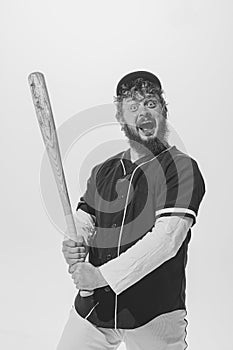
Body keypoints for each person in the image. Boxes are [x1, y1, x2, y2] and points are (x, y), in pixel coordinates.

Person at [57, 71, 206, 349]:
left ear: (163, 110)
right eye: (133, 107)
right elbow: (84, 219)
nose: (143, 113)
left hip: (154, 314)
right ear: (120, 117)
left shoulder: (182, 168)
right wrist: (74, 240)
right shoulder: (104, 170)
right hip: (94, 309)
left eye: (150, 103)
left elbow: (166, 241)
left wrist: (100, 276)